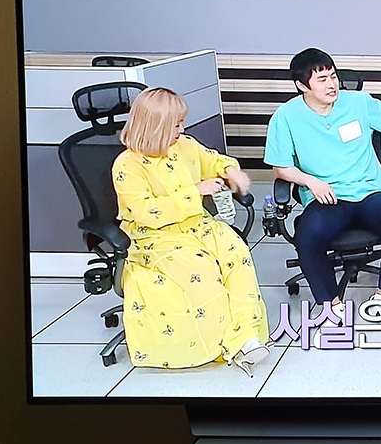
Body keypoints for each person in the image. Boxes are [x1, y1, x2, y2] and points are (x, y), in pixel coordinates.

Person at [112, 87, 271, 376]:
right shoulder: (127, 165)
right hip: (155, 237)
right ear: (156, 127)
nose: (182, 130)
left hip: (197, 224)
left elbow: (215, 160)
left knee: (236, 253)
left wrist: (231, 171)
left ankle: (245, 337)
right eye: (175, 125)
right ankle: (223, 344)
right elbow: (147, 212)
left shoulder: (184, 145)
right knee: (202, 269)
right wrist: (195, 190)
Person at [264, 48, 381, 342]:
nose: (332, 84)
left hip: (369, 189)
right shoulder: (286, 117)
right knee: (307, 235)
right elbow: (280, 167)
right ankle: (331, 306)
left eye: (333, 76)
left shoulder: (358, 102)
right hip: (328, 196)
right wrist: (310, 181)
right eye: (322, 80)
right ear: (302, 85)